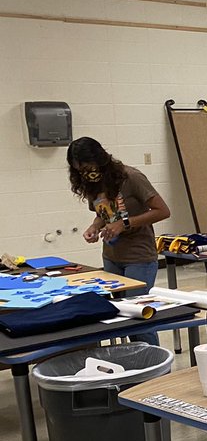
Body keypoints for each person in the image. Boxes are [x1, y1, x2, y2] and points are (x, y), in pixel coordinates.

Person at [68, 137, 170, 345]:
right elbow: (101, 213)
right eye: (79, 170)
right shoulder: (92, 183)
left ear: (100, 159)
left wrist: (125, 224)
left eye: (87, 167)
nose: (85, 174)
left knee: (138, 317)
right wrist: (95, 227)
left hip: (138, 256)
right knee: (116, 313)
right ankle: (129, 360)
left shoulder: (131, 177)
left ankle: (153, 365)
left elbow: (163, 211)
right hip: (112, 256)